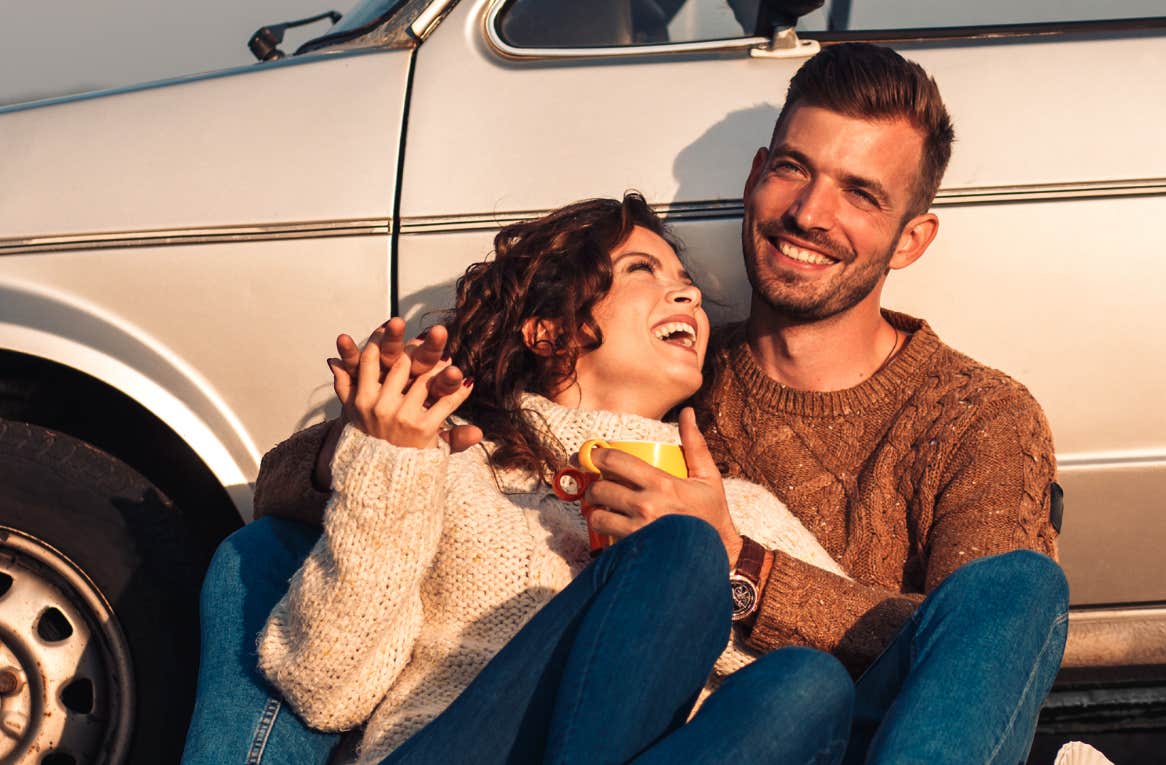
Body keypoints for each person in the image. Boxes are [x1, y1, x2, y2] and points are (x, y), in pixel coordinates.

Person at [252, 43, 1070, 764]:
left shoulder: (974, 414)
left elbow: (975, 658)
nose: (810, 214)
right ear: (755, 176)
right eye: (793, 169)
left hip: (841, 727)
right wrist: (392, 437)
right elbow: (291, 480)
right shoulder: (661, 370)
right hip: (544, 723)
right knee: (242, 565)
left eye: (861, 193)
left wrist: (743, 566)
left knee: (1000, 595)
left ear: (912, 238)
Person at [181, 194, 855, 765]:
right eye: (643, 269)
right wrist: (387, 455)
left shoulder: (736, 509)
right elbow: (326, 686)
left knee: (809, 681)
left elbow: (877, 651)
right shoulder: (454, 466)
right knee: (678, 553)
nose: (688, 293)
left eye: (686, 281)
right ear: (547, 331)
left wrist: (728, 566)